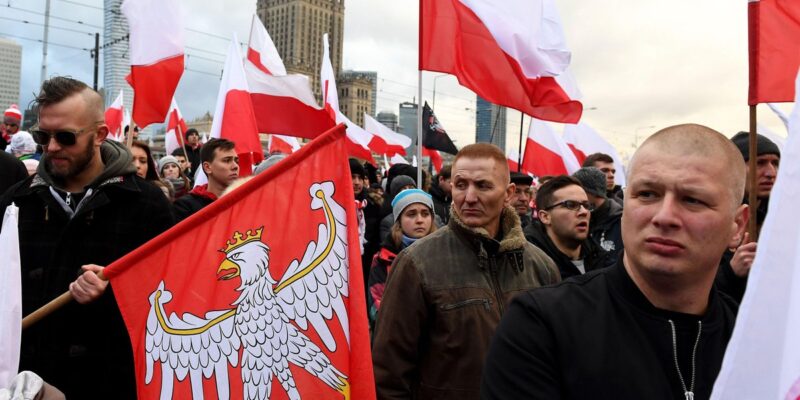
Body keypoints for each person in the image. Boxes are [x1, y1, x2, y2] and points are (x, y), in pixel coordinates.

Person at [482, 124, 748, 399]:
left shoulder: (755, 342)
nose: (664, 216)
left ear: (737, 225)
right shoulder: (541, 325)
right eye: (647, 194)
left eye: (693, 200)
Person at [0, 76, 174, 399]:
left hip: (109, 382)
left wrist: (115, 291)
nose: (52, 147)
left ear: (100, 135)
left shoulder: (147, 205)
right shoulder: (15, 203)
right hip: (29, 384)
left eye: (66, 137)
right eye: (43, 136)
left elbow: (169, 294)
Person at [372, 143, 560, 400]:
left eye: (483, 186)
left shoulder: (541, 266)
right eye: (461, 185)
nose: (469, 197)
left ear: (508, 193)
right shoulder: (416, 264)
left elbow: (553, 361)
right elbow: (389, 373)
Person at [715, 131, 781, 302]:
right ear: (734, 170)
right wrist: (731, 272)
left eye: (775, 163)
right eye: (760, 163)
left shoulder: (781, 219)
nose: (771, 173)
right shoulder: (713, 219)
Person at [367, 189, 436, 328]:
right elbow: (377, 309)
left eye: (425, 214)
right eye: (411, 214)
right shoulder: (383, 259)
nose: (419, 220)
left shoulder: (444, 255)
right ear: (399, 220)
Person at [524, 175, 615, 279]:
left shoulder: (603, 261)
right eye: (571, 205)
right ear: (545, 217)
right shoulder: (530, 267)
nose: (584, 212)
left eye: (586, 205)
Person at [173, 138, 238, 222]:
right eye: (227, 160)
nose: (235, 166)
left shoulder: (245, 200)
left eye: (237, 161)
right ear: (207, 167)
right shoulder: (185, 207)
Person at [573, 166, 624, 260]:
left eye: (577, 190)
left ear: (589, 191)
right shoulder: (577, 219)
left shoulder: (623, 222)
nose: (574, 195)